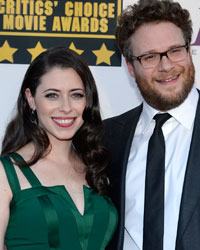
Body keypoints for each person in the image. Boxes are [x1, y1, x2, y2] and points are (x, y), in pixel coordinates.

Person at [104, 0, 200, 250]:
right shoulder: (107, 137)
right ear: (130, 67)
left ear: (189, 51)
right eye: (149, 56)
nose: (166, 66)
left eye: (175, 50)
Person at [0, 46, 118, 250]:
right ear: (31, 99)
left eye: (76, 95)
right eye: (52, 95)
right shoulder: (5, 173)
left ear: (87, 100)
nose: (66, 107)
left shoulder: (98, 168)